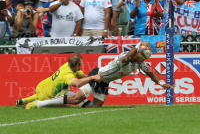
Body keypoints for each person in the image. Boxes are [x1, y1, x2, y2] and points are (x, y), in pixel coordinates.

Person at [26, 42, 175, 109]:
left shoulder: (140, 63)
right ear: (138, 53)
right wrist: (137, 45)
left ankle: (73, 103)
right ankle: (40, 104)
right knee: (77, 98)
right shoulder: (126, 57)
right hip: (97, 75)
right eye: (141, 56)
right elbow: (127, 57)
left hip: (105, 82)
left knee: (95, 107)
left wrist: (162, 83)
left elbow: (151, 73)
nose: (142, 61)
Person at [16, 54, 101, 107]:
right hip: (48, 95)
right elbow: (77, 83)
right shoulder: (67, 75)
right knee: (68, 103)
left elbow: (83, 76)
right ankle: (34, 104)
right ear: (77, 65)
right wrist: (92, 78)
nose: (82, 64)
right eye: (81, 63)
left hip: (41, 86)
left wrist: (91, 78)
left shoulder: (68, 65)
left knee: (42, 93)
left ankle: (24, 100)